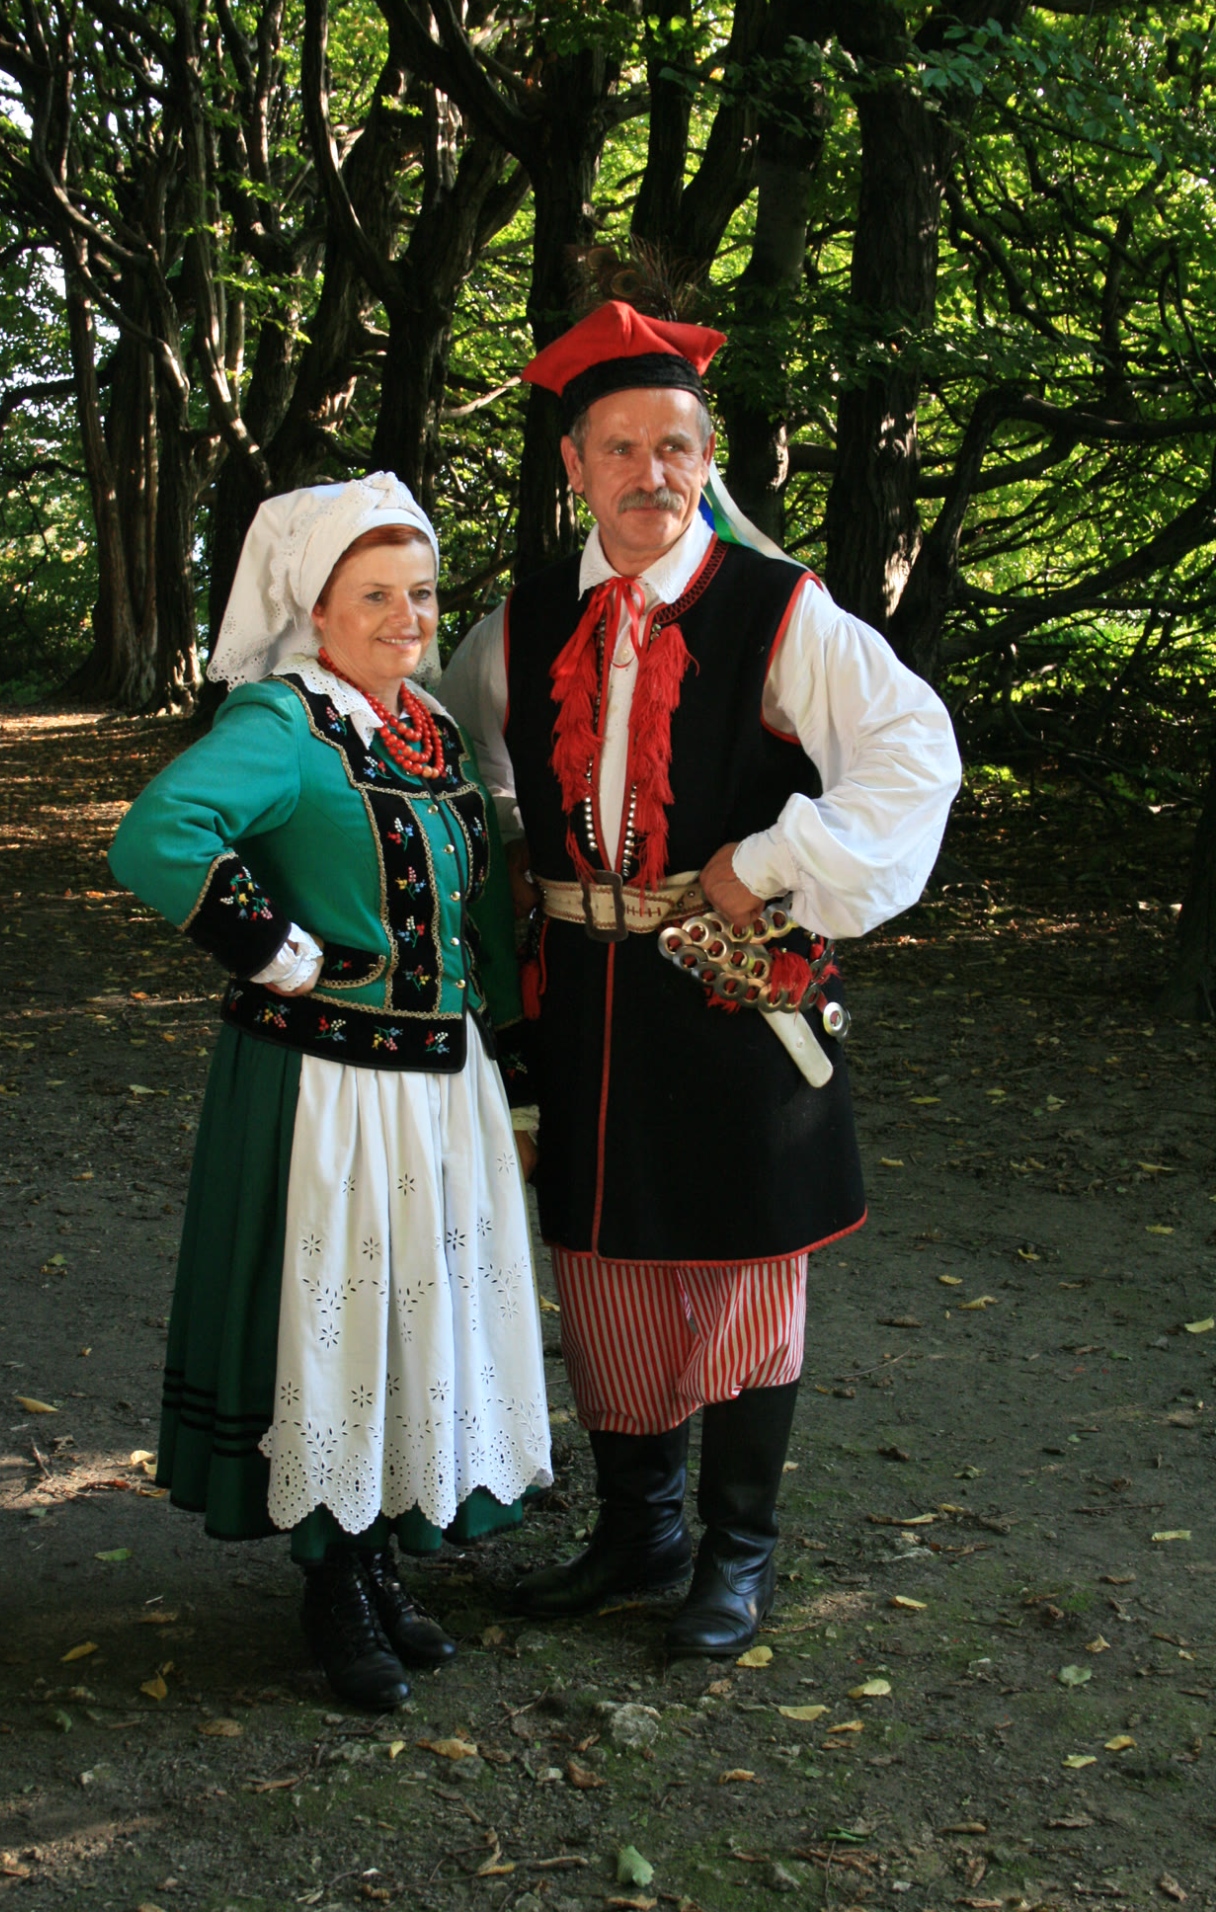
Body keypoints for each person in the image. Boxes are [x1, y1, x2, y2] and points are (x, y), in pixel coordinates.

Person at [440, 299, 961, 1658]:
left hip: (731, 991)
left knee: (741, 1270)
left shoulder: (781, 610)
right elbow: (460, 767)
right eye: (619, 448)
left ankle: (735, 1551)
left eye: (674, 445)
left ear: (707, 455)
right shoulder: (521, 622)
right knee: (602, 1267)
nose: (649, 473)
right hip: (581, 1004)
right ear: (574, 466)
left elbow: (913, 756)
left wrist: (771, 859)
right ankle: (637, 1533)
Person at [109, 474, 551, 1710]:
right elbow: (157, 833)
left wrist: (516, 1075)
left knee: (418, 1321)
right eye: (375, 596)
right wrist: (275, 949)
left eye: (422, 592)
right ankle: (333, 1585)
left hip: (442, 1088)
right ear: (313, 610)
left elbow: (480, 915)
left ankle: (381, 1563)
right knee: (339, 1325)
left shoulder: (431, 729)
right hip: (329, 1094)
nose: (408, 617)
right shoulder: (285, 724)